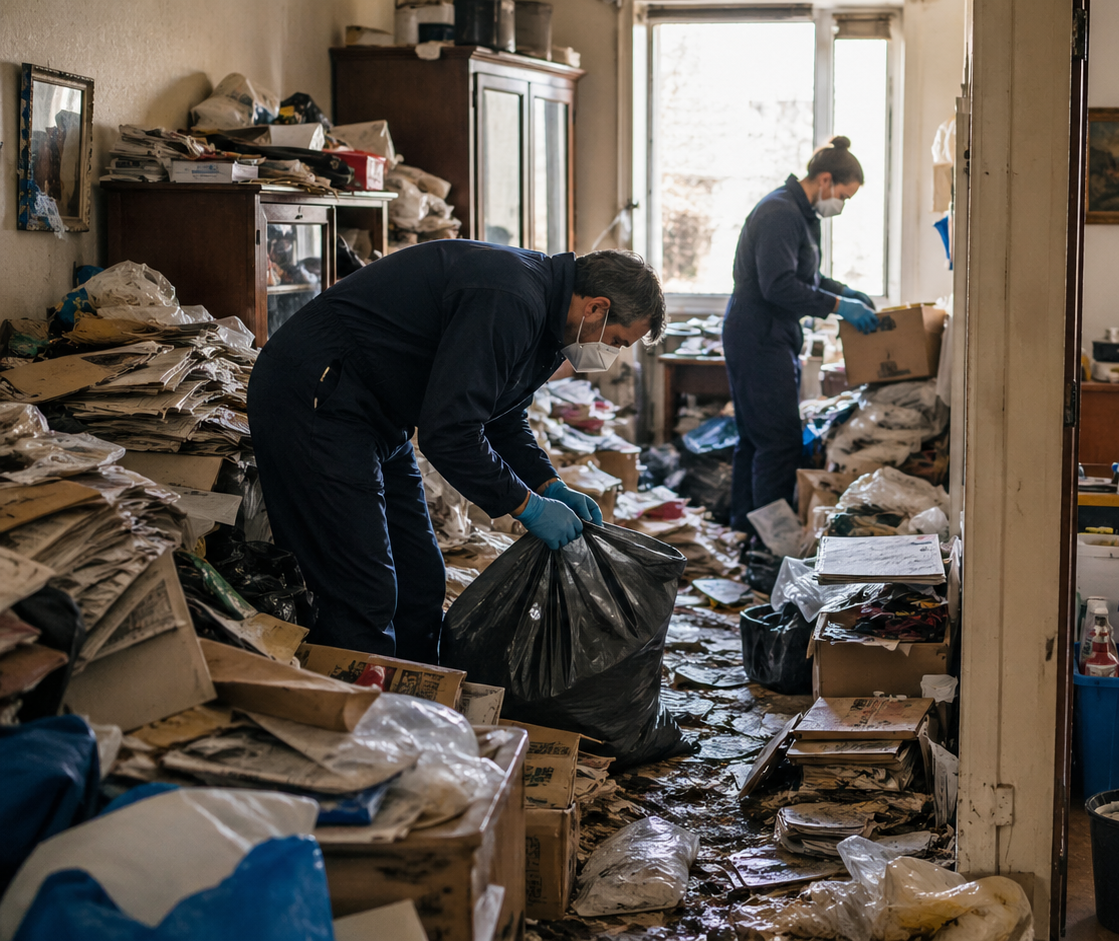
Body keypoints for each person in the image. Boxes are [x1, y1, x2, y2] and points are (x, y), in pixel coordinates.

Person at [248, 241, 667, 662]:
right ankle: (361, 714)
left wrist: (548, 483)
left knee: (420, 580)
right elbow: (450, 433)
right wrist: (526, 506)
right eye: (615, 340)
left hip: (377, 413)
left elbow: (503, 418)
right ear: (596, 307)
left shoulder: (548, 322)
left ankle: (421, 700)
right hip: (315, 398)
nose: (609, 356)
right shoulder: (512, 299)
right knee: (360, 589)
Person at [723, 136, 879, 534]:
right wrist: (839, 307)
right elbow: (779, 286)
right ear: (825, 180)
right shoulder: (780, 213)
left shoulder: (802, 215)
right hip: (759, 335)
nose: (840, 207)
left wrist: (846, 293)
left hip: (770, 334)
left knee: (756, 440)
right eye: (842, 196)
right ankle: (768, 545)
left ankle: (744, 531)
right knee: (778, 443)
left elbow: (807, 278)